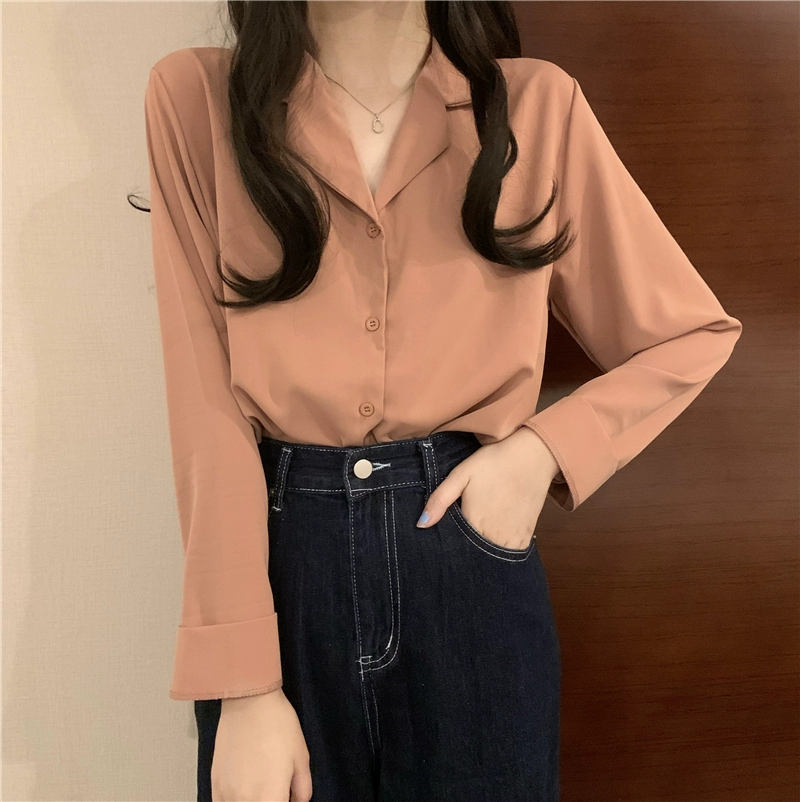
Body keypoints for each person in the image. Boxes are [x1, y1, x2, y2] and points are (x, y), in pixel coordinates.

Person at [142, 1, 743, 800]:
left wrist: (541, 454)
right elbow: (205, 413)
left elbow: (689, 334)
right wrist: (244, 685)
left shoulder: (536, 108)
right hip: (285, 578)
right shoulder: (197, 100)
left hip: (467, 566)